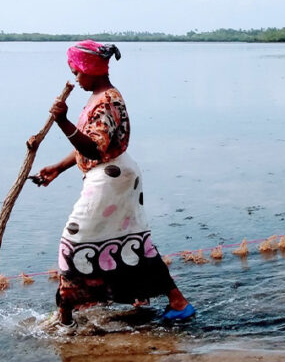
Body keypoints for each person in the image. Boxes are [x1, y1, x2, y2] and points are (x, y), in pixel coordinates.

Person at [32, 40, 195, 328]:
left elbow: (96, 148)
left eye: (77, 72)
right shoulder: (99, 96)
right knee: (131, 243)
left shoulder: (106, 100)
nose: (75, 78)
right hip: (115, 175)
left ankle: (66, 318)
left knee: (74, 244)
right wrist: (58, 167)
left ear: (91, 70)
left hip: (110, 180)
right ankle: (176, 301)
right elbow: (91, 145)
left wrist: (64, 122)